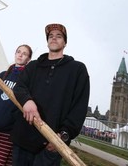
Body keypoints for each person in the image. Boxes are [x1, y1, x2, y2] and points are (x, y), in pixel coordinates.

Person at [10, 23, 90, 166]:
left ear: (65, 42)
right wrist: (27, 101)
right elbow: (19, 87)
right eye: (51, 36)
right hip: (23, 140)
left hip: (50, 145)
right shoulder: (33, 66)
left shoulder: (77, 70)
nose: (54, 38)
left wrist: (63, 136)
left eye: (59, 36)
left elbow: (79, 107)